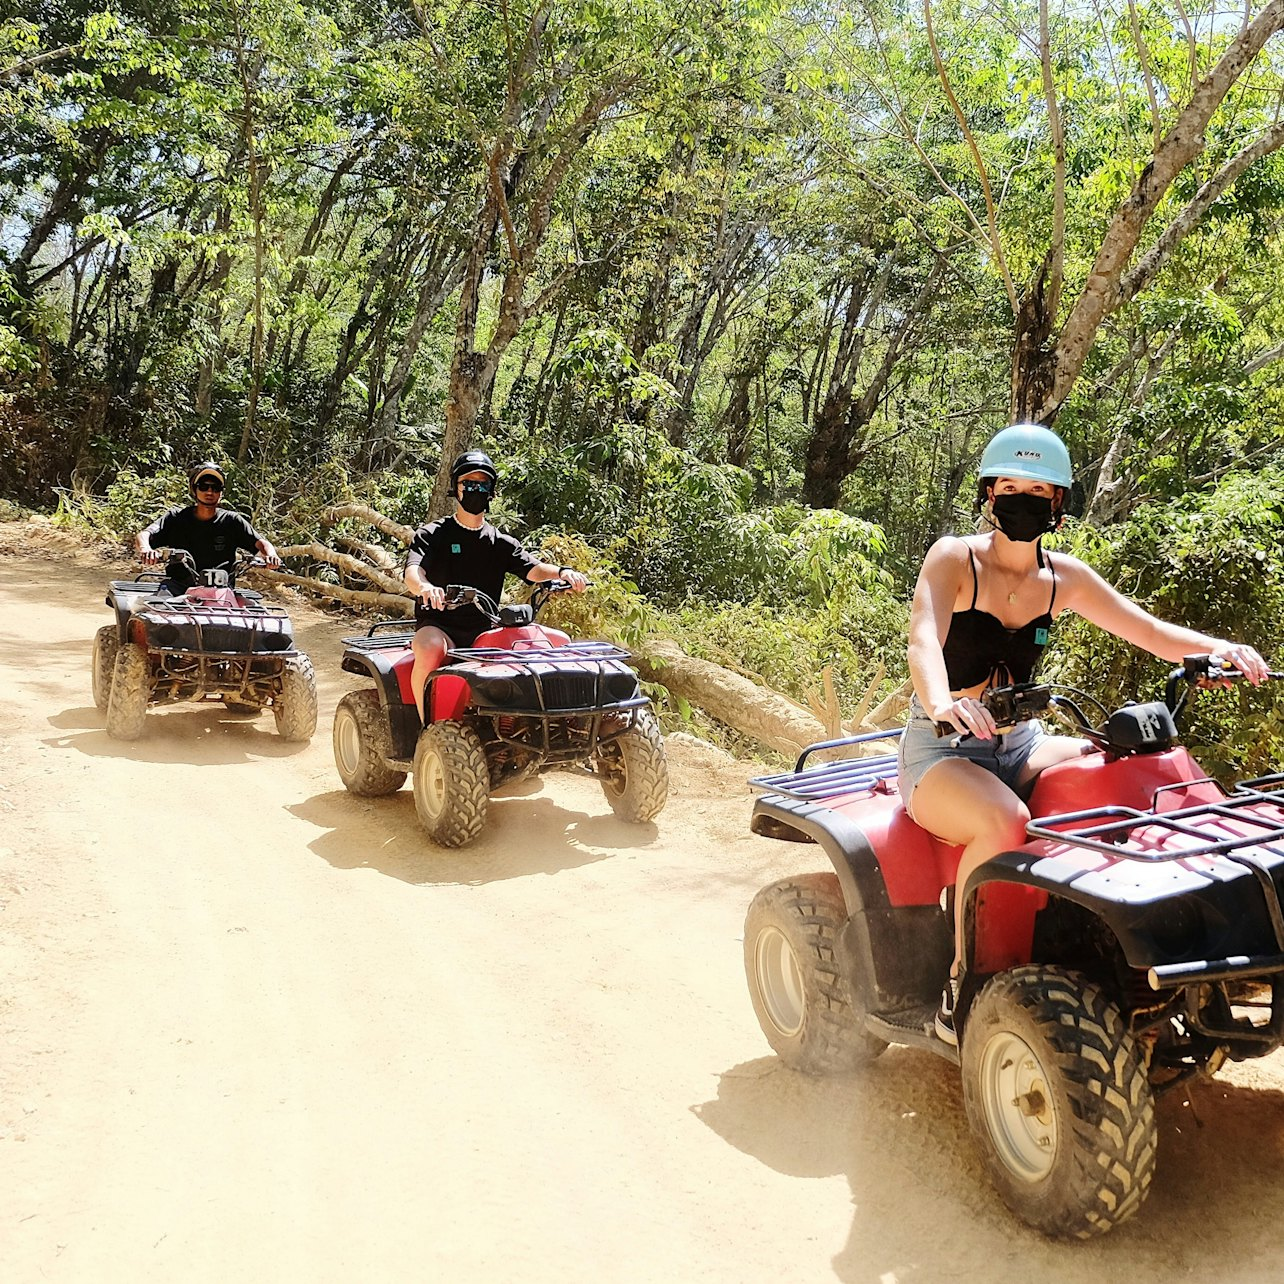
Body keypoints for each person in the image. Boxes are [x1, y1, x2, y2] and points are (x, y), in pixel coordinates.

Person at [899, 423, 1268, 1045]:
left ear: (1057, 504)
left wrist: (1218, 649)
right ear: (988, 494)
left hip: (1020, 742)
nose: (1022, 500)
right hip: (944, 749)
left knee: (1128, 768)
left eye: (1038, 490)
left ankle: (1140, 945)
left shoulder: (1061, 578)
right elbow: (923, 637)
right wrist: (943, 704)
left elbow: (1147, 631)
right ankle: (963, 983)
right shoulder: (955, 558)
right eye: (1009, 486)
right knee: (1003, 823)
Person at [404, 449, 587, 720]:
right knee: (430, 648)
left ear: (491, 491)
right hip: (440, 626)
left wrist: (562, 572)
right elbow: (412, 572)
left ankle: (553, 723)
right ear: (456, 487)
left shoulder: (500, 542)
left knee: (553, 643)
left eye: (483, 484)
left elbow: (533, 569)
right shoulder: (434, 534)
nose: (476, 489)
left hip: (486, 629)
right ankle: (428, 728)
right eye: (469, 483)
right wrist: (425, 588)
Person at [136, 461, 281, 588]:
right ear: (194, 489)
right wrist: (146, 550)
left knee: (251, 615)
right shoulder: (176, 517)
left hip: (222, 590)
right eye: (204, 486)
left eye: (215, 487)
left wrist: (271, 555)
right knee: (157, 612)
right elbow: (144, 535)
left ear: (221, 493)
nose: (209, 491)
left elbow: (261, 543)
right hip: (178, 586)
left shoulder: (232, 521)